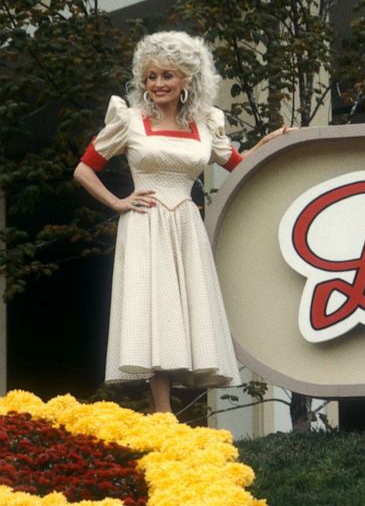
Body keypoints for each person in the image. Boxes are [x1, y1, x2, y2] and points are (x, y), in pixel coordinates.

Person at [74, 31, 293, 413]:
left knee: (183, 310)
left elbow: (237, 165)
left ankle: (176, 411)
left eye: (167, 76)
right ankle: (162, 411)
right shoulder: (129, 120)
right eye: (151, 76)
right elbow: (84, 170)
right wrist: (119, 202)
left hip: (186, 227)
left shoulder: (206, 123)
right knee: (154, 308)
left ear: (186, 80)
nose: (157, 84)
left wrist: (268, 143)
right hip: (145, 223)